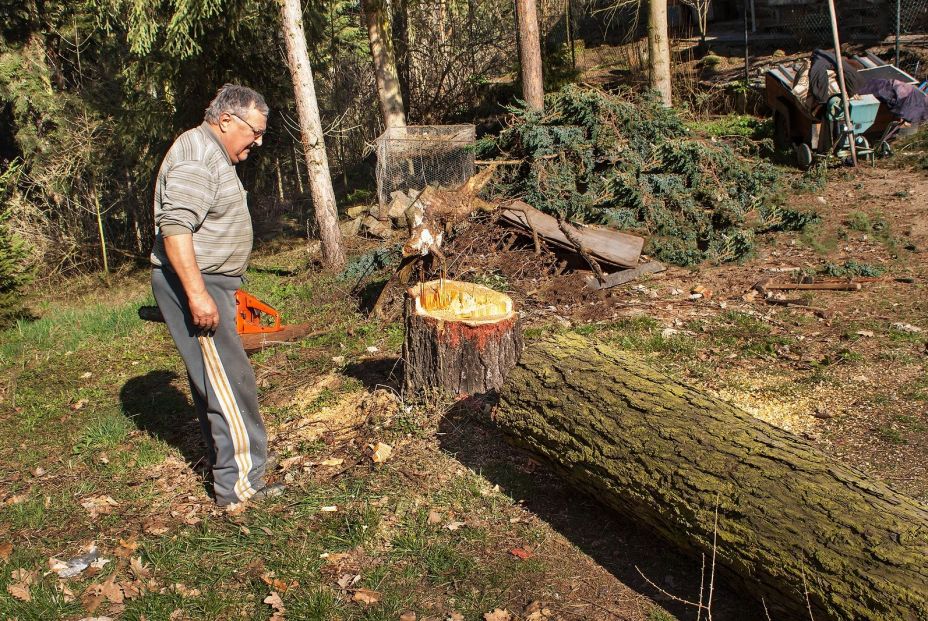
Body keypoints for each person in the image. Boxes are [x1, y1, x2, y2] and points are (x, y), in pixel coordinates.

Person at [150, 84, 282, 508]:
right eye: (254, 131)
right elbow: (175, 228)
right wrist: (198, 294)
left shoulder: (210, 152)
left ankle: (234, 467)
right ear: (226, 120)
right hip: (198, 282)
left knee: (217, 381)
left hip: (209, 281)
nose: (258, 142)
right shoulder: (198, 156)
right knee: (230, 384)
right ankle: (240, 486)